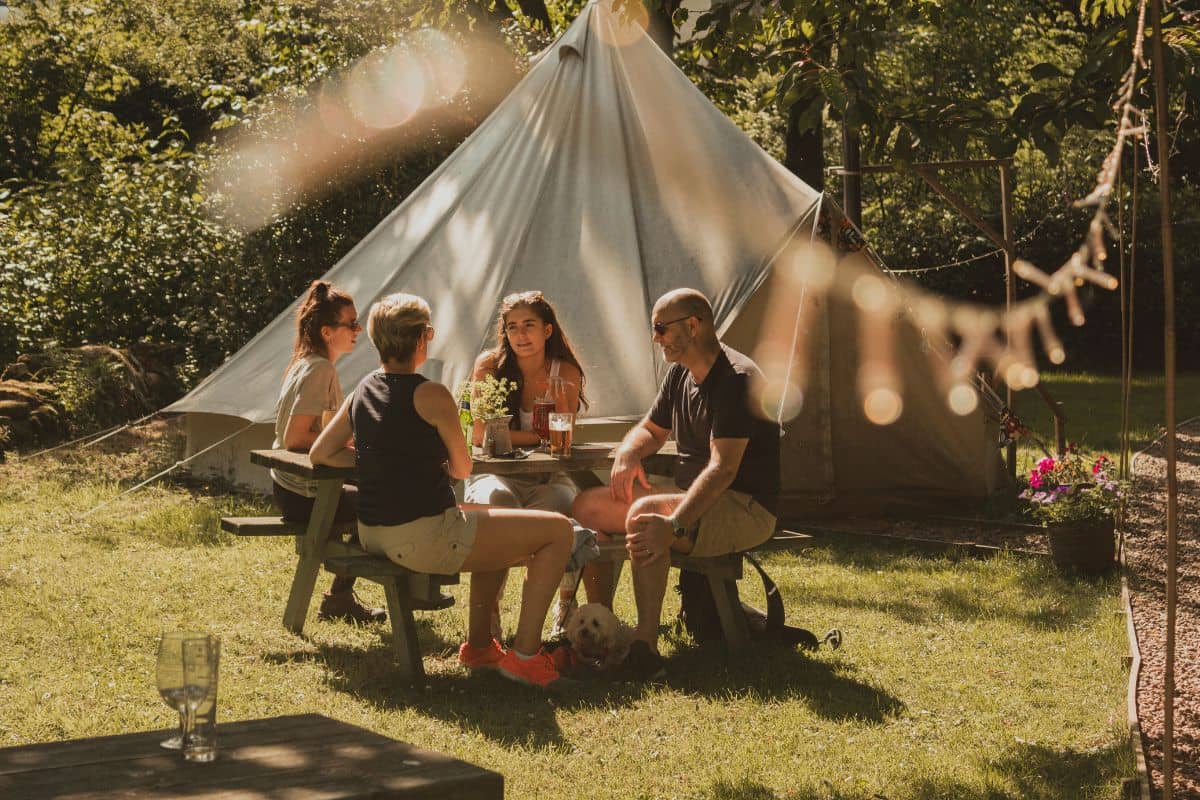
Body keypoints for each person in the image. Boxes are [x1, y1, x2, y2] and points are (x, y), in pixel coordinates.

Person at [310, 292, 574, 689]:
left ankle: (482, 646)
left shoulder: (362, 389)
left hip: (374, 532)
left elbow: (321, 453)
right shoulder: (431, 394)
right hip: (424, 535)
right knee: (559, 530)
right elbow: (463, 466)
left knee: (492, 518)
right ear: (423, 338)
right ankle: (525, 657)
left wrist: (376, 460)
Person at [572, 288, 781, 681]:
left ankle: (644, 648)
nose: (655, 338)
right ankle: (602, 629)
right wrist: (629, 452)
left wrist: (675, 524)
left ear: (693, 325)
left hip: (744, 506)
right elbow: (651, 429)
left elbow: (723, 470)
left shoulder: (736, 381)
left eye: (660, 328)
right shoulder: (681, 372)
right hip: (694, 494)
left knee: (647, 516)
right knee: (588, 507)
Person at [466, 291, 587, 638]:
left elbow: (563, 433)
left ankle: (557, 610)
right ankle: (489, 616)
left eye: (529, 326)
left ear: (547, 330)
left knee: (558, 513)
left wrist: (509, 433)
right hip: (496, 474)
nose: (521, 335)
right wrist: (537, 437)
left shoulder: (563, 371)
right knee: (497, 505)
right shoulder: (489, 366)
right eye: (513, 327)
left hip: (548, 478)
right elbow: (478, 433)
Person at [270, 280, 386, 624]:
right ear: (326, 331)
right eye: (350, 323)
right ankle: (356, 593)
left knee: (374, 495)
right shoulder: (320, 369)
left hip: (291, 485)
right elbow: (296, 438)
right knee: (388, 503)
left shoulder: (306, 362)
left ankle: (341, 595)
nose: (358, 329)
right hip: (304, 491)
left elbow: (313, 432)